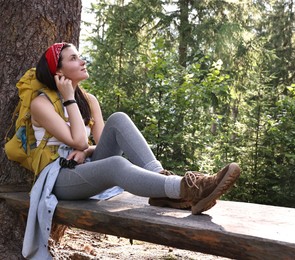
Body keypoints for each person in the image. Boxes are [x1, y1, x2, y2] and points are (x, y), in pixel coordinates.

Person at [31, 42, 241, 214]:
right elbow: (79, 140)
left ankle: (162, 181)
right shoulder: (41, 104)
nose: (83, 61)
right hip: (58, 178)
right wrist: (68, 98)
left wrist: (86, 151)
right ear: (58, 70)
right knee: (116, 164)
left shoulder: (89, 100)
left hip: (86, 166)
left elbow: (99, 145)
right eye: (73, 58)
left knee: (119, 119)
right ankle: (191, 188)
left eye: (79, 56)